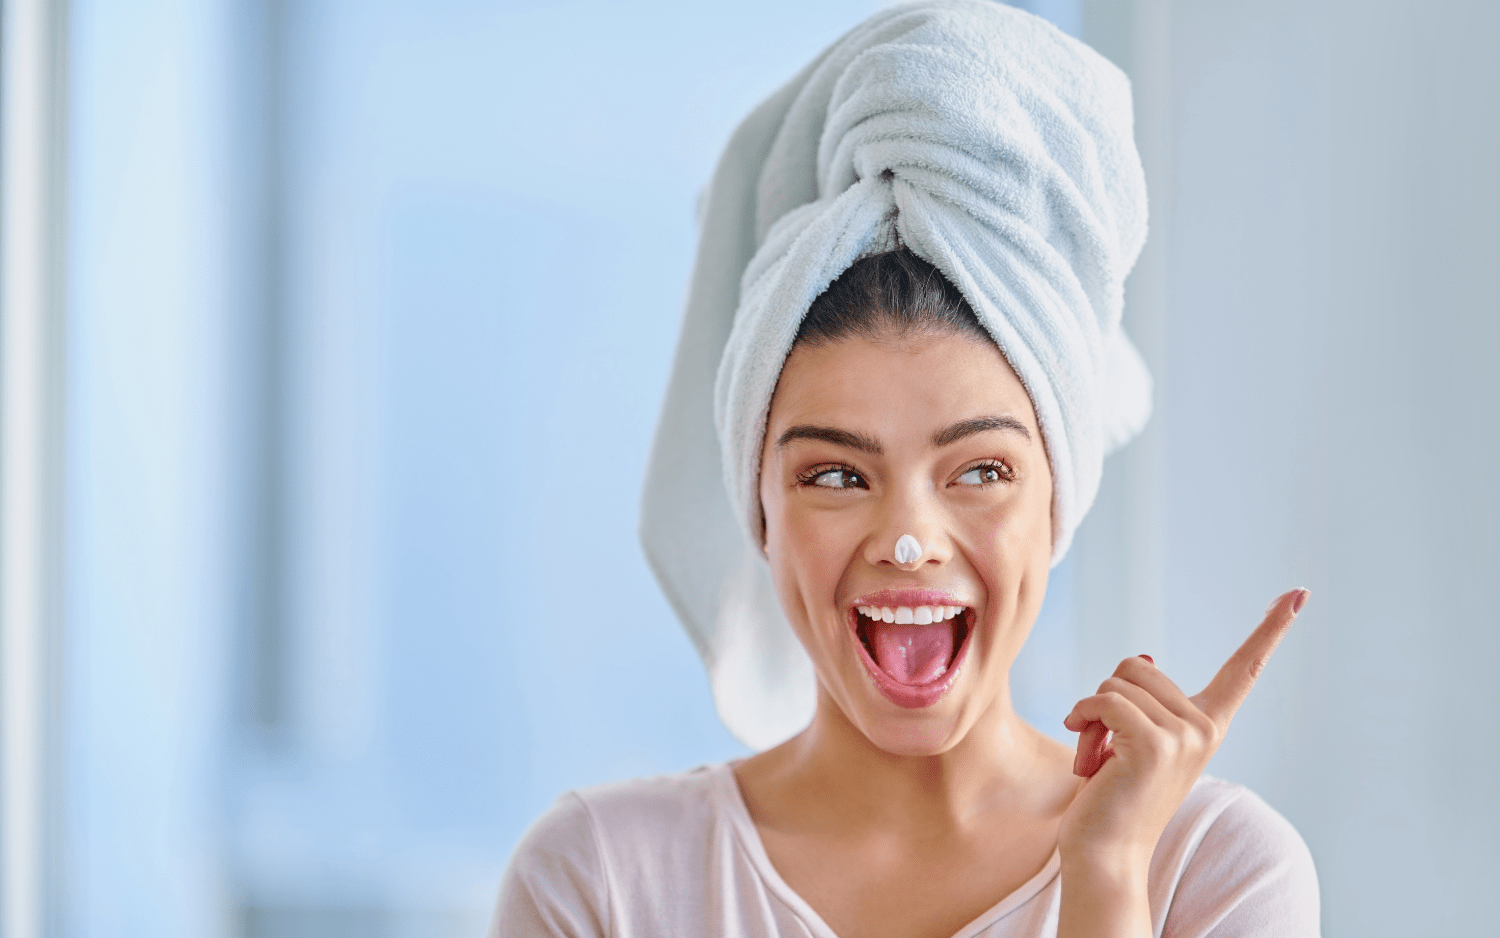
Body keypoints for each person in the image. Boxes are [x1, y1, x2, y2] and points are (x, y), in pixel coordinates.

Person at [492, 3, 1319, 936]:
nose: (908, 540)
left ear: (1060, 497)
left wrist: (1107, 879)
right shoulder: (601, 880)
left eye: (979, 471)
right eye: (837, 476)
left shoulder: (1212, 870)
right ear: (758, 503)